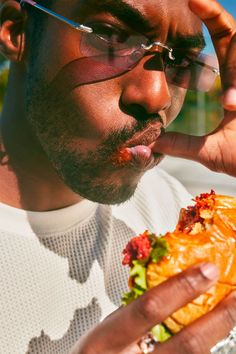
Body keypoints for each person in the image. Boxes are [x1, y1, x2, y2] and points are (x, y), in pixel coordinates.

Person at [0, 0, 235, 353]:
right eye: (111, 37)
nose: (156, 96)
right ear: (17, 32)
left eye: (179, 61)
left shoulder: (174, 212)